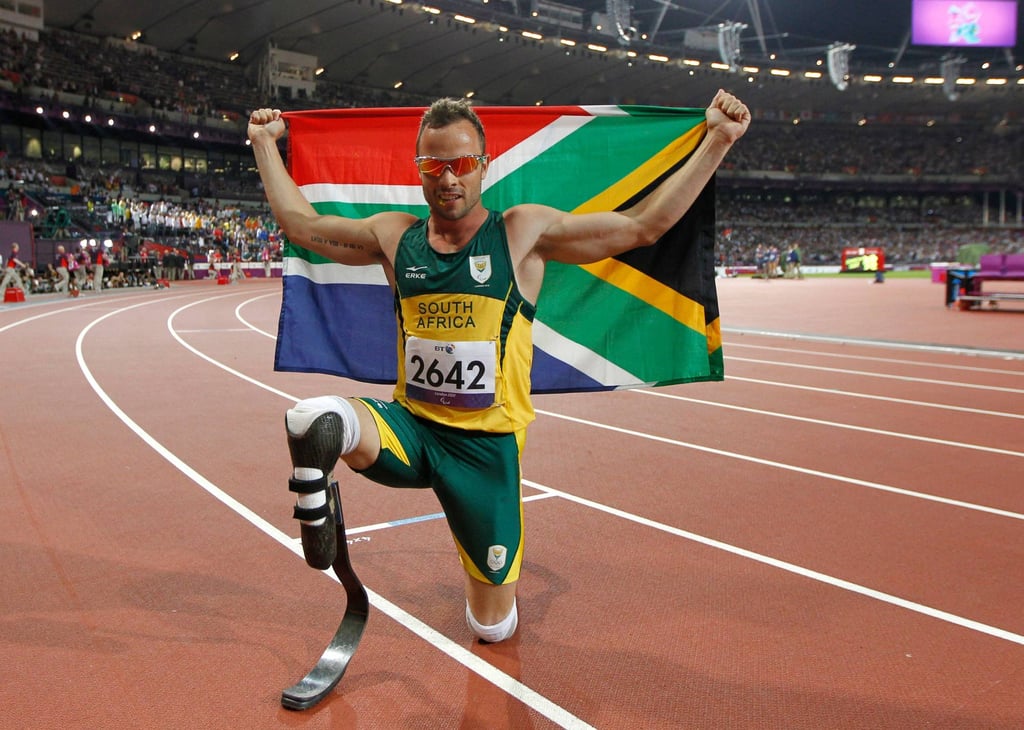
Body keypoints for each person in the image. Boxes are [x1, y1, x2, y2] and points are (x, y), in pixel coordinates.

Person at [248, 90, 750, 643]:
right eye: (433, 165)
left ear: (484, 166)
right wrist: (265, 144)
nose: (448, 179)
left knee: (492, 629)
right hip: (410, 429)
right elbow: (301, 224)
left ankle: (488, 589)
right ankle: (315, 509)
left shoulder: (520, 234)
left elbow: (641, 227)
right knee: (315, 417)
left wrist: (716, 141)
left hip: (485, 454)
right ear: (418, 170)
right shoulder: (394, 238)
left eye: (461, 164)